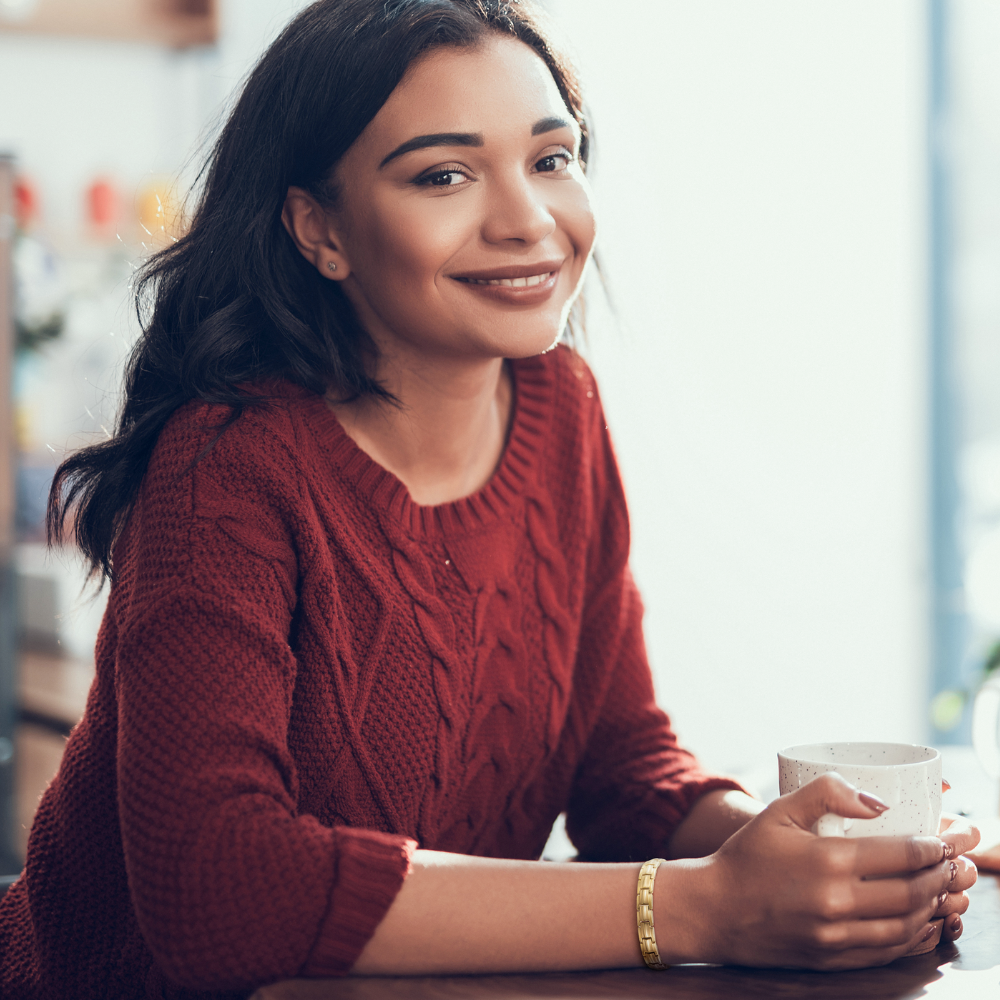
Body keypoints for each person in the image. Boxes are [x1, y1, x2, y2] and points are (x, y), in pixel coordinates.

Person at [0, 1, 980, 996]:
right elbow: (219, 893)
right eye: (444, 174)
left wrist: (815, 869)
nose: (527, 220)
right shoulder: (227, 466)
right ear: (319, 229)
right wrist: (698, 904)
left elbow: (619, 768)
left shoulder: (561, 409)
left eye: (552, 158)